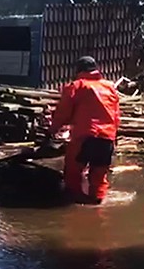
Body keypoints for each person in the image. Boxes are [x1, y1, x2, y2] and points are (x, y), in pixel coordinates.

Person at [48, 56, 121, 205]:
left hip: (85, 136)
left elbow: (63, 112)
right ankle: (96, 206)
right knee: (99, 175)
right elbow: (116, 115)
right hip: (107, 137)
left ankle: (74, 204)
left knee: (73, 172)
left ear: (78, 70)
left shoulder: (76, 86)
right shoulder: (109, 87)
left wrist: (52, 130)